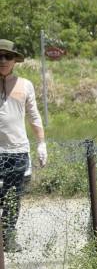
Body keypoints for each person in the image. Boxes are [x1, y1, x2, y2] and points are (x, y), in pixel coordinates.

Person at [0, 39, 47, 253]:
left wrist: (41, 144)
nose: (3, 60)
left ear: (15, 60)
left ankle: (8, 238)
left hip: (17, 151)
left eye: (8, 56)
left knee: (13, 196)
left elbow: (33, 115)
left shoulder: (25, 85)